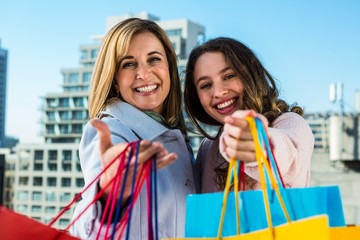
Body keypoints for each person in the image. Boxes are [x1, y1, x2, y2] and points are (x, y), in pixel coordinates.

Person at [71, 18, 196, 239]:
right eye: (129, 64)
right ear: (114, 78)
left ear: (169, 67)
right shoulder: (112, 131)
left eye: (154, 59)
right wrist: (110, 192)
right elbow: (86, 228)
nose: (143, 74)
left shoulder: (177, 137)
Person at [184, 37, 314, 192]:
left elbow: (288, 154)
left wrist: (259, 145)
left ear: (250, 75)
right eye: (206, 85)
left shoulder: (291, 123)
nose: (218, 92)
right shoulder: (208, 148)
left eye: (229, 76)